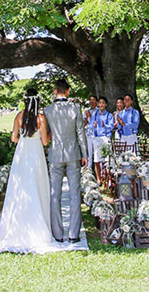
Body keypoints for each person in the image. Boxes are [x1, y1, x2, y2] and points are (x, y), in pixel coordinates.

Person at [0, 89, 64, 253]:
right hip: (36, 152)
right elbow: (45, 142)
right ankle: (38, 225)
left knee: (20, 186)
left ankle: (15, 223)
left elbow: (13, 138)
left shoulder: (19, 116)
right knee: (36, 185)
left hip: (22, 152)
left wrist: (23, 141)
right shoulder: (41, 118)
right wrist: (50, 133)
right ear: (37, 101)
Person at [44, 78, 88, 243]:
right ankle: (73, 234)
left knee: (55, 194)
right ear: (68, 91)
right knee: (75, 194)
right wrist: (85, 154)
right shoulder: (75, 108)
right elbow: (80, 134)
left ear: (55, 91)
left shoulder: (47, 110)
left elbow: (46, 135)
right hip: (73, 154)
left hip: (55, 154)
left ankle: (57, 233)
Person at [92, 97, 114, 184]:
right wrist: (93, 125)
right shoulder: (95, 114)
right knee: (97, 159)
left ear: (106, 104)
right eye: (100, 103)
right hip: (97, 138)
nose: (101, 104)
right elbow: (90, 126)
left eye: (103, 103)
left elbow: (111, 126)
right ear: (98, 104)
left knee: (107, 159)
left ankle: (108, 178)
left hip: (106, 137)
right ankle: (99, 179)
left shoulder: (109, 115)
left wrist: (104, 125)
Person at [83, 95, 99, 168]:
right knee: (89, 151)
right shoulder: (86, 111)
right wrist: (87, 117)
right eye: (90, 100)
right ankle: (89, 167)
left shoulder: (99, 111)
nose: (91, 101)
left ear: (96, 102)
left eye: (93, 100)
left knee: (97, 151)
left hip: (97, 134)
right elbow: (84, 124)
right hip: (89, 133)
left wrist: (90, 116)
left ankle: (99, 168)